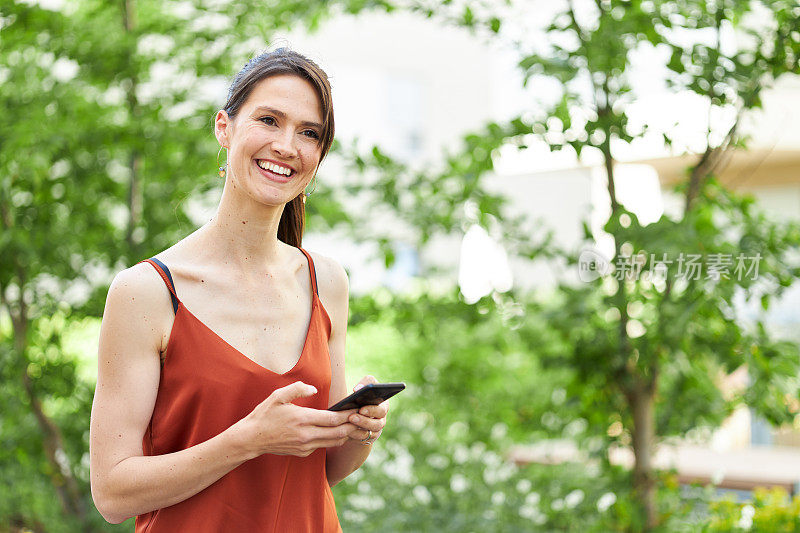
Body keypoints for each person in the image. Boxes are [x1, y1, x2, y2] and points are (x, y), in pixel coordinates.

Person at [89, 48, 389, 532]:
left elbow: (327, 469)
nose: (287, 145)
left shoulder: (325, 281)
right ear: (224, 128)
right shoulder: (147, 292)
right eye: (269, 120)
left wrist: (360, 431)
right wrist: (249, 438)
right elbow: (111, 494)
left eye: (309, 133)